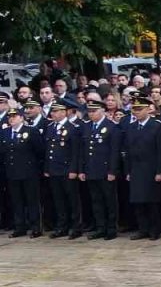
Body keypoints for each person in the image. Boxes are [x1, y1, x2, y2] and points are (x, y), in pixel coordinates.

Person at [122, 96, 161, 241]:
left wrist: (160, 171)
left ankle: (154, 229)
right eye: (134, 109)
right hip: (136, 169)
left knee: (152, 202)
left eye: (139, 109)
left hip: (151, 169)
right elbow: (128, 151)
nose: (136, 112)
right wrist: (128, 170)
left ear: (148, 109)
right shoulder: (131, 127)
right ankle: (142, 229)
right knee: (138, 201)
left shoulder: (157, 126)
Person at [80, 100, 121, 240]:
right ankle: (100, 227)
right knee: (96, 201)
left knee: (109, 201)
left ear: (102, 111)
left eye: (94, 111)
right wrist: (82, 170)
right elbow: (83, 151)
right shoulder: (86, 127)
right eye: (89, 111)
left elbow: (114, 152)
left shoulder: (111, 127)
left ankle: (111, 228)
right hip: (91, 170)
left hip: (105, 170)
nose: (91, 114)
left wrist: (112, 171)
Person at [44, 99, 83, 239]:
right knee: (58, 200)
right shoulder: (50, 127)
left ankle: (76, 227)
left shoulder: (72, 128)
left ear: (63, 112)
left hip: (67, 170)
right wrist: (47, 168)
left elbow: (75, 152)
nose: (53, 114)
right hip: (54, 169)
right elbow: (49, 150)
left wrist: (74, 170)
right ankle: (62, 226)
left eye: (55, 111)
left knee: (72, 200)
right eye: (52, 111)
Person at [4, 108, 45, 237]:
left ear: (21, 118)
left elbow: (40, 151)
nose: (11, 118)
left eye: (15, 116)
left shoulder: (31, 131)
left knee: (32, 200)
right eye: (10, 116)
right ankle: (19, 227)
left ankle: (35, 227)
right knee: (17, 201)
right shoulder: (4, 132)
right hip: (12, 172)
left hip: (29, 172)